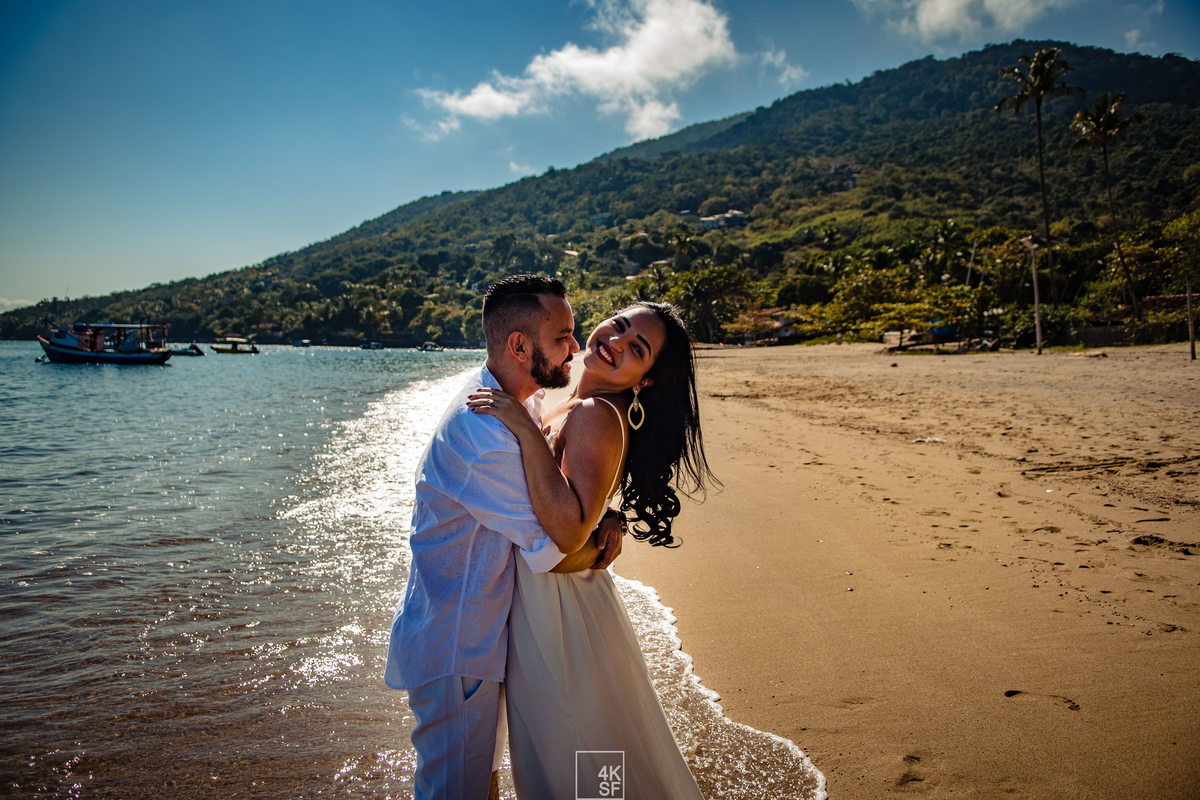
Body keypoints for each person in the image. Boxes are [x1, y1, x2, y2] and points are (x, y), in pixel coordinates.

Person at [385, 274, 621, 799]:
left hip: (471, 639)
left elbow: (558, 486)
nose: (575, 348)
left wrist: (608, 513)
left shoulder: (513, 399)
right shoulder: (485, 433)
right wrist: (601, 541)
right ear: (520, 345)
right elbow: (553, 549)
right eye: (562, 336)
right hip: (457, 648)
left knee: (480, 785)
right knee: (456, 792)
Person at [467, 301, 716, 799]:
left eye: (637, 348)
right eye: (619, 325)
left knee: (581, 759)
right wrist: (609, 516)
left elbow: (566, 531)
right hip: (556, 602)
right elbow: (583, 504)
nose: (617, 341)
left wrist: (520, 426)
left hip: (563, 614)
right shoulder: (574, 403)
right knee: (585, 756)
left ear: (644, 380)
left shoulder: (595, 414)